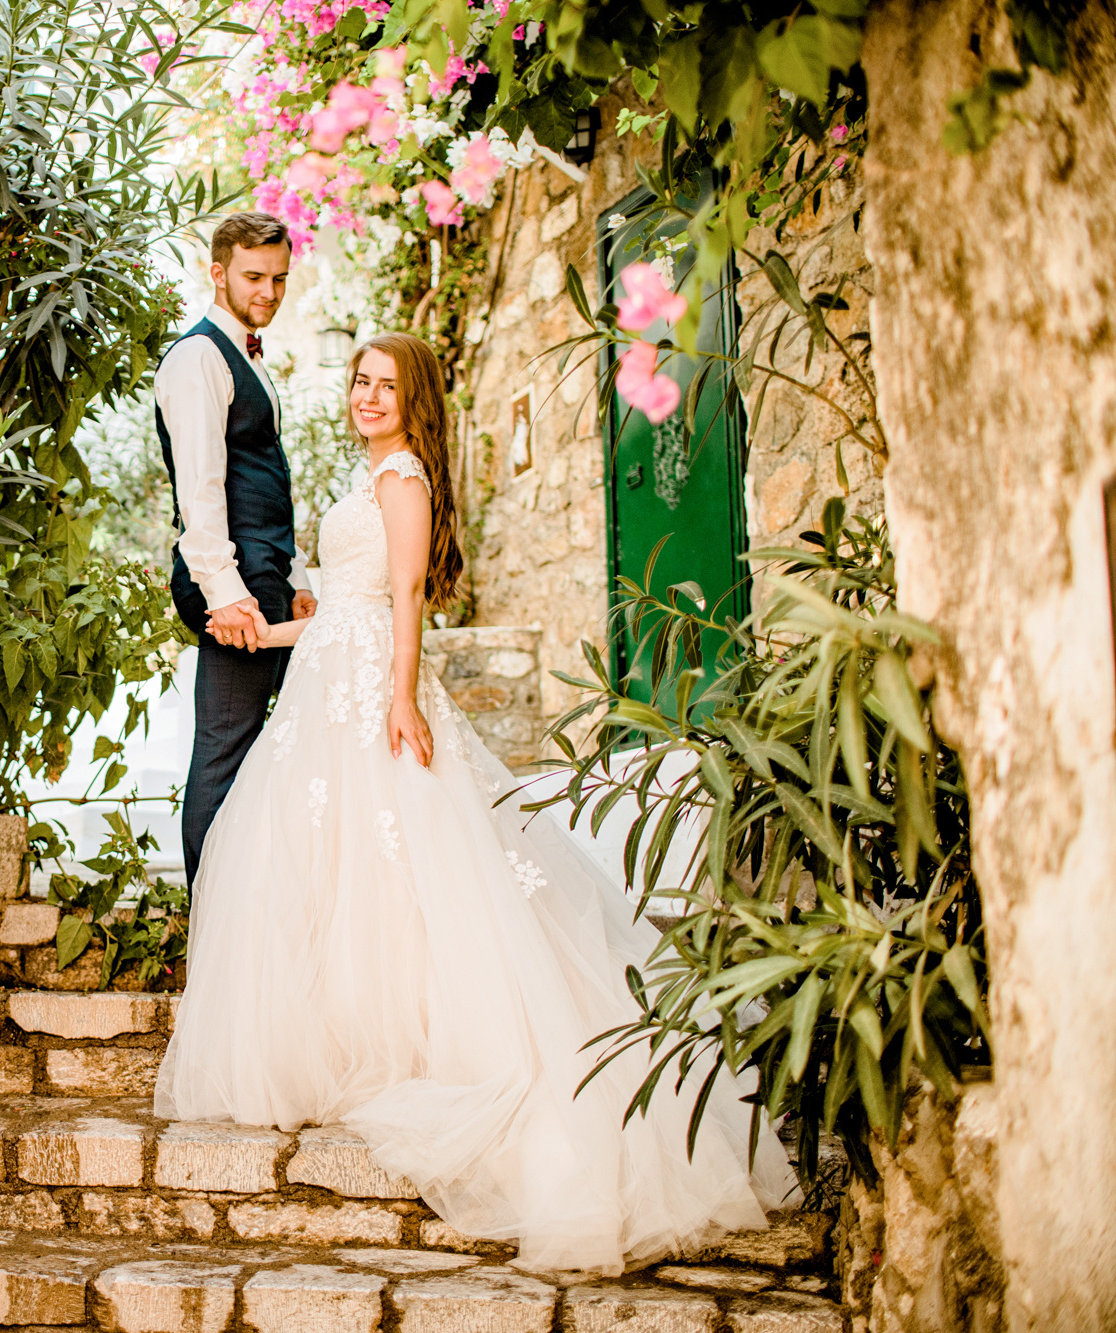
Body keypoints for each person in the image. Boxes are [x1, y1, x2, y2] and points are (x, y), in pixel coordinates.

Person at [154, 331, 796, 1276]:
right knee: (342, 865)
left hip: (377, 692)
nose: (369, 397)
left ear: (414, 399)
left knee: (418, 860)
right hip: (331, 681)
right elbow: (347, 611)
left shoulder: (403, 475)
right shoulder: (372, 473)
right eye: (361, 382)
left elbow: (407, 596)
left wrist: (402, 698)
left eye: (387, 385)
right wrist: (262, 631)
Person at [155, 212, 317, 887]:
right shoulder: (198, 357)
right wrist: (225, 594)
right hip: (234, 589)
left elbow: (264, 481)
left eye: (279, 279)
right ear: (217, 272)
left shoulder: (244, 355)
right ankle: (210, 926)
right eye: (254, 277)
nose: (268, 292)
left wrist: (295, 576)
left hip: (263, 578)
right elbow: (201, 487)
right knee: (225, 755)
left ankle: (252, 917)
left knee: (261, 756)